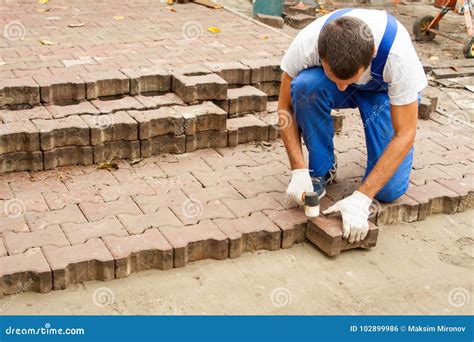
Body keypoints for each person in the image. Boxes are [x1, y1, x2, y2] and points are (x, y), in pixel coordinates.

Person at [278, 8, 427, 243]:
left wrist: (363, 197)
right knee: (306, 86)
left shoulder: (398, 58)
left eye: (349, 80)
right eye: (334, 78)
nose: (341, 88)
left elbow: (406, 132)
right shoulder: (307, 42)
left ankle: (385, 167)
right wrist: (297, 169)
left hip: (383, 96)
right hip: (327, 81)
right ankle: (322, 168)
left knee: (387, 191)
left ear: (373, 53)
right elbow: (284, 108)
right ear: (320, 53)